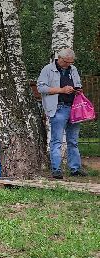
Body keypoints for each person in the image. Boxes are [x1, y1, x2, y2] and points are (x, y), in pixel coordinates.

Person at [36, 48, 87, 179]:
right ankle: (56, 170)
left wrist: (77, 90)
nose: (69, 64)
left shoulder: (73, 69)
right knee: (57, 140)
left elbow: (78, 84)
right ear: (60, 58)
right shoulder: (48, 69)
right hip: (58, 108)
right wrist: (62, 90)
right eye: (66, 62)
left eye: (71, 62)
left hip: (74, 108)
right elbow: (41, 88)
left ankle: (75, 168)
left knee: (73, 140)